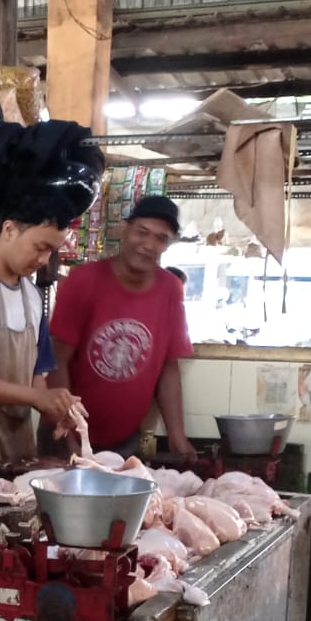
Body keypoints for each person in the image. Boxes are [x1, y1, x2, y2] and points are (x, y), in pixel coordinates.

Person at [0, 121, 101, 473]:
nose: (44, 260)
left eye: (51, 252)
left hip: (16, 462)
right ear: (9, 229)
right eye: (40, 247)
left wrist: (55, 407)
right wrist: (36, 397)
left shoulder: (31, 294)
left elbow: (37, 377)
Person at [48, 195, 197, 458]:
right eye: (142, 232)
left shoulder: (170, 290)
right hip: (66, 435)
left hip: (127, 442)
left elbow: (168, 368)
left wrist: (177, 435)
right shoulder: (83, 281)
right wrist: (70, 430)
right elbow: (57, 360)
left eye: (161, 238)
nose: (149, 244)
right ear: (125, 229)